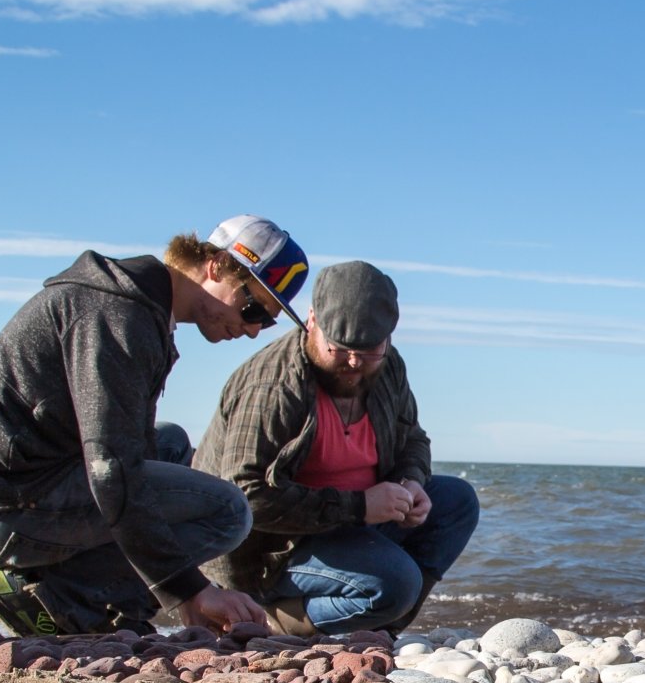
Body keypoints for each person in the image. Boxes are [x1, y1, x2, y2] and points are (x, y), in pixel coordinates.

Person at [0, 215, 307, 637]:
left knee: (170, 445)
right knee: (228, 512)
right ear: (215, 265)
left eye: (267, 321)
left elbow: (121, 458)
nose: (254, 330)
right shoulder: (118, 315)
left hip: (14, 489)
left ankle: (113, 604)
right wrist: (189, 589)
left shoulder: (140, 306)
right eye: (252, 307)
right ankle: (57, 598)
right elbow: (110, 469)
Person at [192, 261, 476, 636]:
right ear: (312, 321)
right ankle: (280, 620)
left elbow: (413, 438)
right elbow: (243, 497)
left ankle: (380, 630)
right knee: (396, 583)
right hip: (272, 549)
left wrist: (411, 481)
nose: (354, 363)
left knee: (456, 500)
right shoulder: (275, 386)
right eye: (339, 349)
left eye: (369, 350)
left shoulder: (387, 367)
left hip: (348, 523)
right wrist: (360, 507)